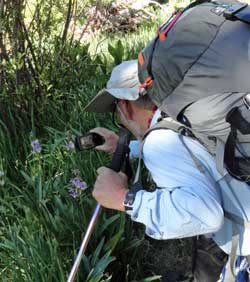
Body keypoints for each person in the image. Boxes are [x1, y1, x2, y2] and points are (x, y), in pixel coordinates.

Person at [84, 60, 250, 282]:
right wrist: (123, 147)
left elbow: (206, 214)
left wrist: (124, 199)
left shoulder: (159, 142)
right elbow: (190, 153)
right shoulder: (185, 110)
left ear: (125, 106)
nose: (121, 122)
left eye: (117, 112)